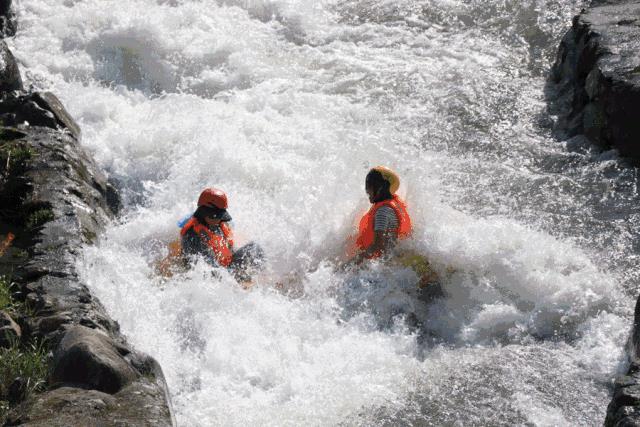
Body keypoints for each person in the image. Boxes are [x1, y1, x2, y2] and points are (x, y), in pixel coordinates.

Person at [180, 187, 264, 283]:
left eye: (221, 216)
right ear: (204, 213)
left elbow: (230, 247)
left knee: (254, 248)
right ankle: (244, 282)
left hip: (226, 266)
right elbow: (208, 269)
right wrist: (237, 277)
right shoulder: (192, 235)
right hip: (212, 275)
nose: (219, 219)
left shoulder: (218, 224)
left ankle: (262, 277)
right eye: (215, 216)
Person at [345, 166, 412, 267]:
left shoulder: (383, 211)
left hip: (386, 269)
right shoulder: (392, 205)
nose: (367, 191)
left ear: (380, 188)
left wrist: (349, 266)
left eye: (369, 187)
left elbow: (377, 246)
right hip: (395, 264)